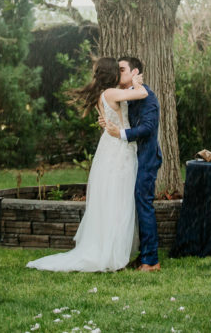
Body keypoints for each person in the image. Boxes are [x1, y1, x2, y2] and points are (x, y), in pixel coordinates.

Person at [28, 57, 147, 272]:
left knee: (112, 200)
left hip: (110, 148)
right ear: (112, 74)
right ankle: (112, 253)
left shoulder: (102, 95)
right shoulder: (111, 93)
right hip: (119, 152)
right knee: (119, 202)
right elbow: (142, 94)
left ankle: (111, 248)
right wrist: (137, 81)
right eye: (118, 70)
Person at [101, 56, 162, 271]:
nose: (118, 74)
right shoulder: (128, 95)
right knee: (135, 206)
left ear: (135, 72)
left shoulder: (148, 98)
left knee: (144, 204)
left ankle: (151, 260)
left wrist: (121, 133)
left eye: (122, 70)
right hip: (130, 159)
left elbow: (147, 128)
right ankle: (142, 254)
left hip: (146, 158)